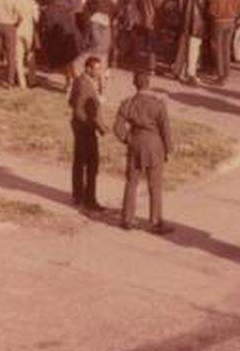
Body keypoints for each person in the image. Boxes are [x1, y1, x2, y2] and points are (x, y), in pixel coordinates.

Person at [114, 70, 173, 234]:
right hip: (155, 146)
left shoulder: (128, 103)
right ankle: (155, 221)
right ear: (149, 83)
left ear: (134, 84)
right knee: (155, 185)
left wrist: (128, 139)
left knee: (131, 182)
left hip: (135, 145)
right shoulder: (158, 104)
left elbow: (117, 128)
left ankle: (127, 218)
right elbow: (165, 130)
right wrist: (168, 149)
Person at [69, 55, 107, 212]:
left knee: (79, 162)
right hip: (86, 129)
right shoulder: (86, 84)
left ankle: (78, 195)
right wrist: (99, 127)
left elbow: (71, 102)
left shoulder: (79, 81)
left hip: (79, 128)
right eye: (96, 69)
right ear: (88, 68)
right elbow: (80, 109)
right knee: (92, 165)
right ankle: (89, 199)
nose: (99, 72)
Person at [208, 0, 240, 84]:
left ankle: (220, 75)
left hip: (219, 22)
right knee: (226, 48)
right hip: (231, 21)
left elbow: (212, 11)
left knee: (218, 49)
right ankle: (227, 72)